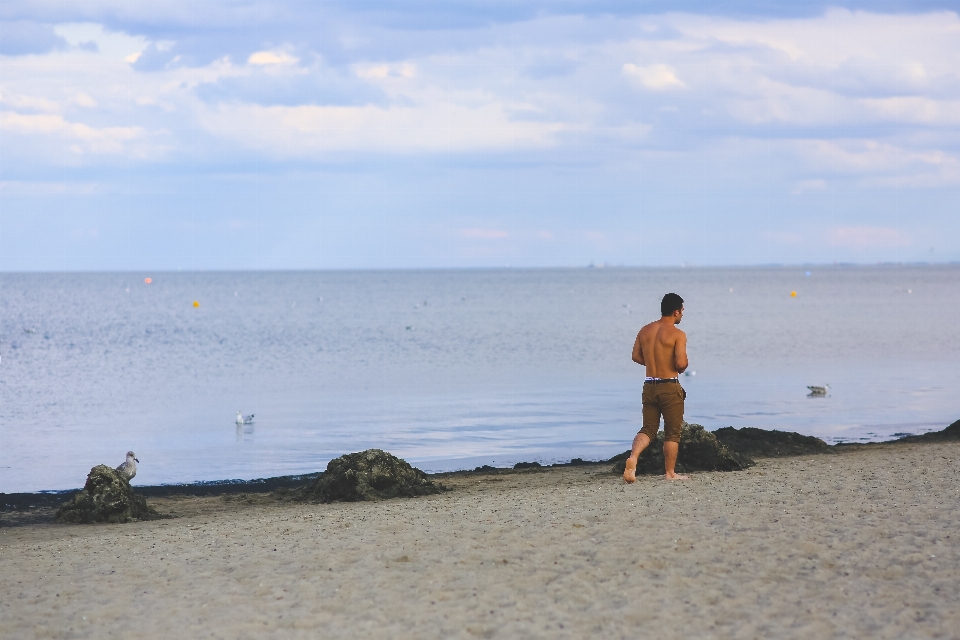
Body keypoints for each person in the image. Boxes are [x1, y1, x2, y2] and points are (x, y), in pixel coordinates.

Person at [624, 293, 689, 482]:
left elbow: (636, 356)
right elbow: (681, 364)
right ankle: (670, 473)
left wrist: (655, 364)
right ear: (676, 311)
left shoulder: (645, 330)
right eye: (682, 311)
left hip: (649, 386)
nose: (682, 315)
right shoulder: (678, 334)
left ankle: (633, 457)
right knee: (672, 432)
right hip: (669, 386)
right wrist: (676, 365)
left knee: (648, 429)